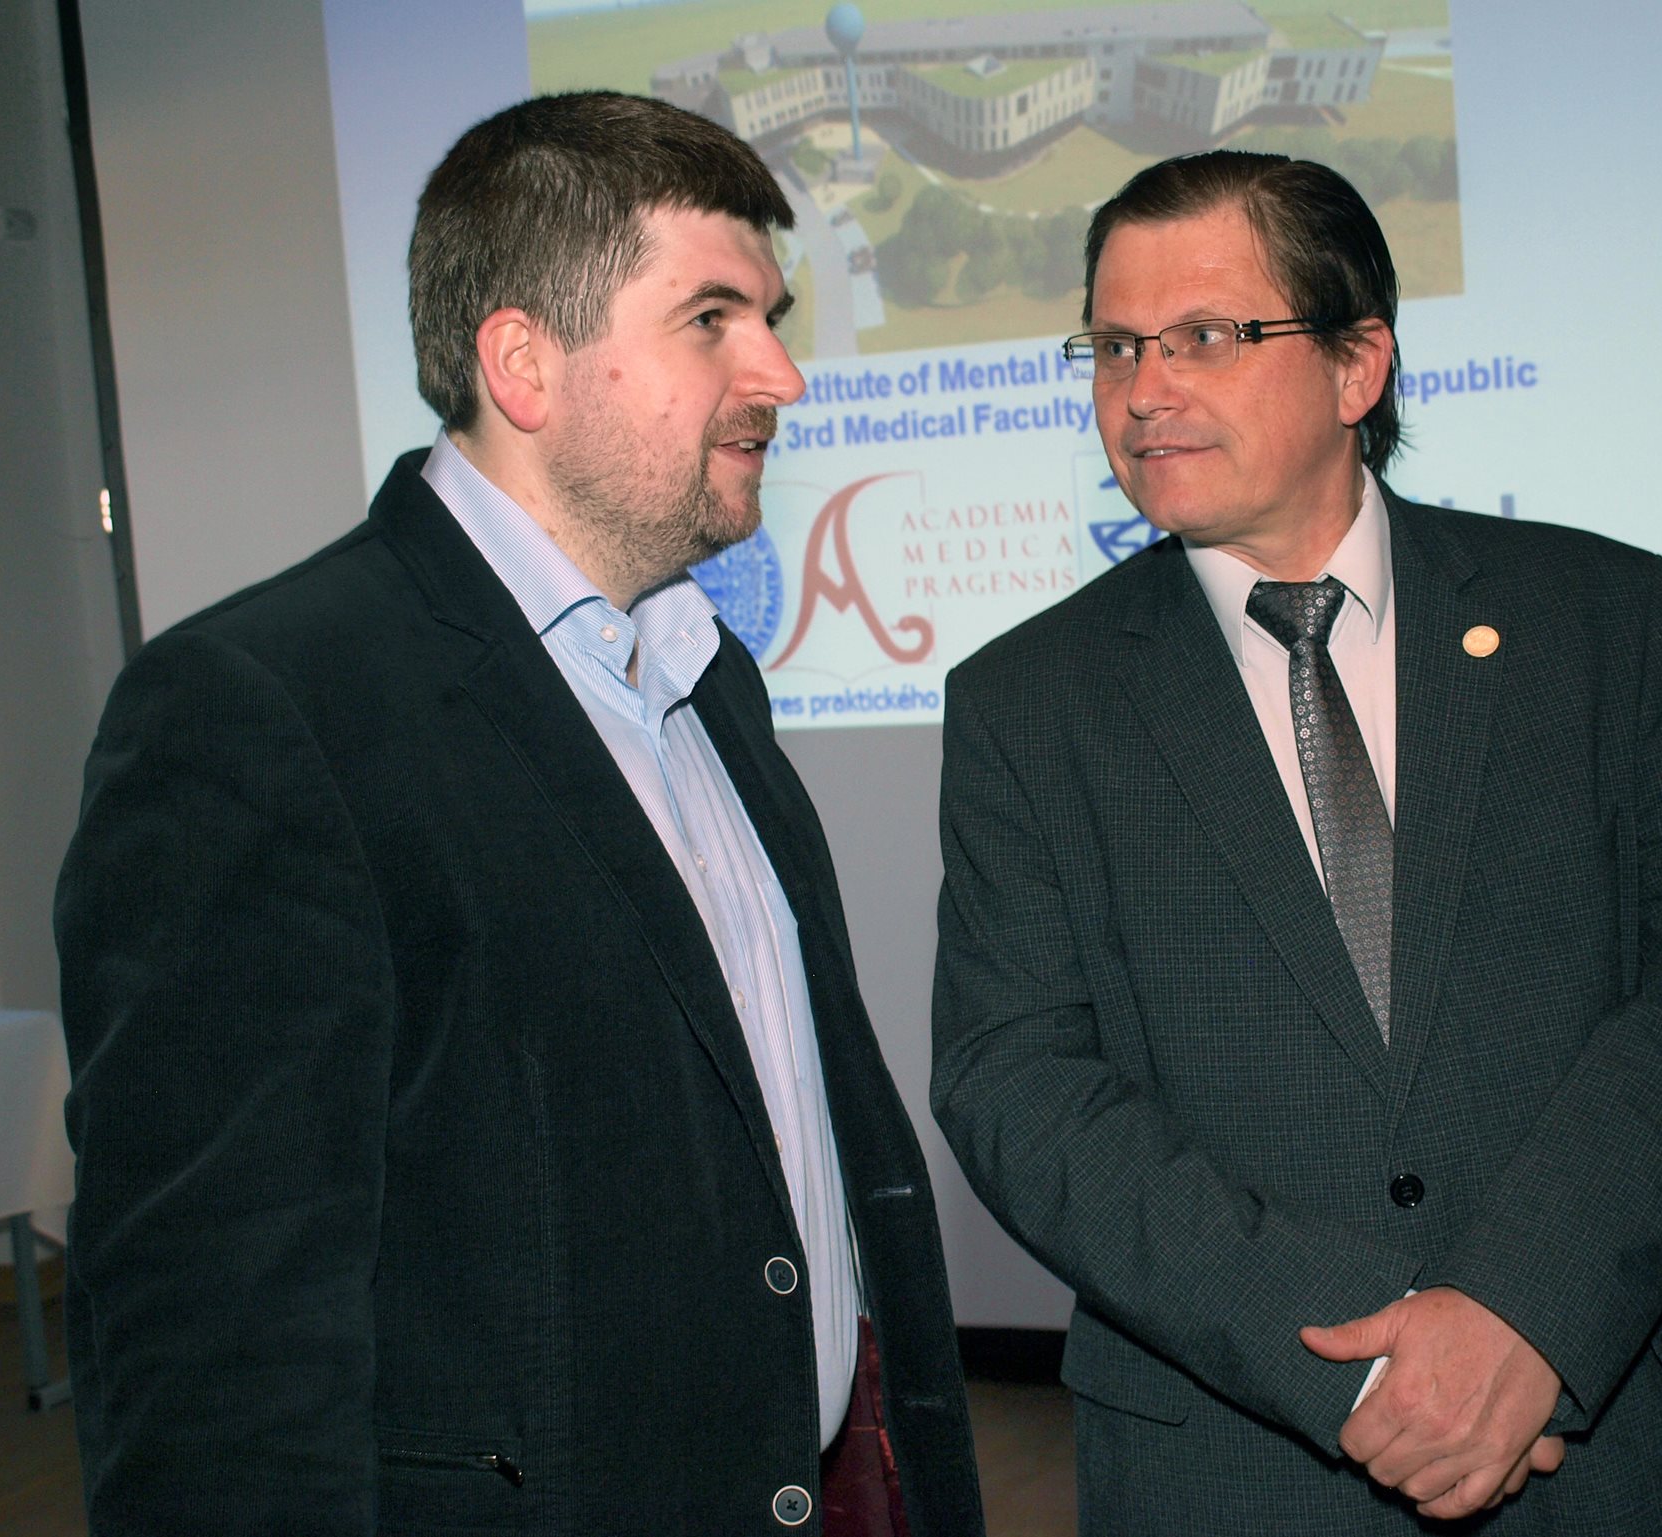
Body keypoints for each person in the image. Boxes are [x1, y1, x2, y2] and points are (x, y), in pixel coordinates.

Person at [56, 92, 981, 1536]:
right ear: (523, 363)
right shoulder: (259, 710)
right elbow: (212, 1357)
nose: (783, 375)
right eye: (713, 319)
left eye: (774, 317)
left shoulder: (707, 674)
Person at [932, 150, 1662, 1534]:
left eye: (1205, 335)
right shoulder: (1026, 702)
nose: (1142, 389)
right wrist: (1358, 1365)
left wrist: (1527, 1307)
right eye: (1113, 345)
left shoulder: (1601, 617)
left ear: (1358, 365)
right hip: (1241, 1462)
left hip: (1617, 1434)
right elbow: (1018, 1084)